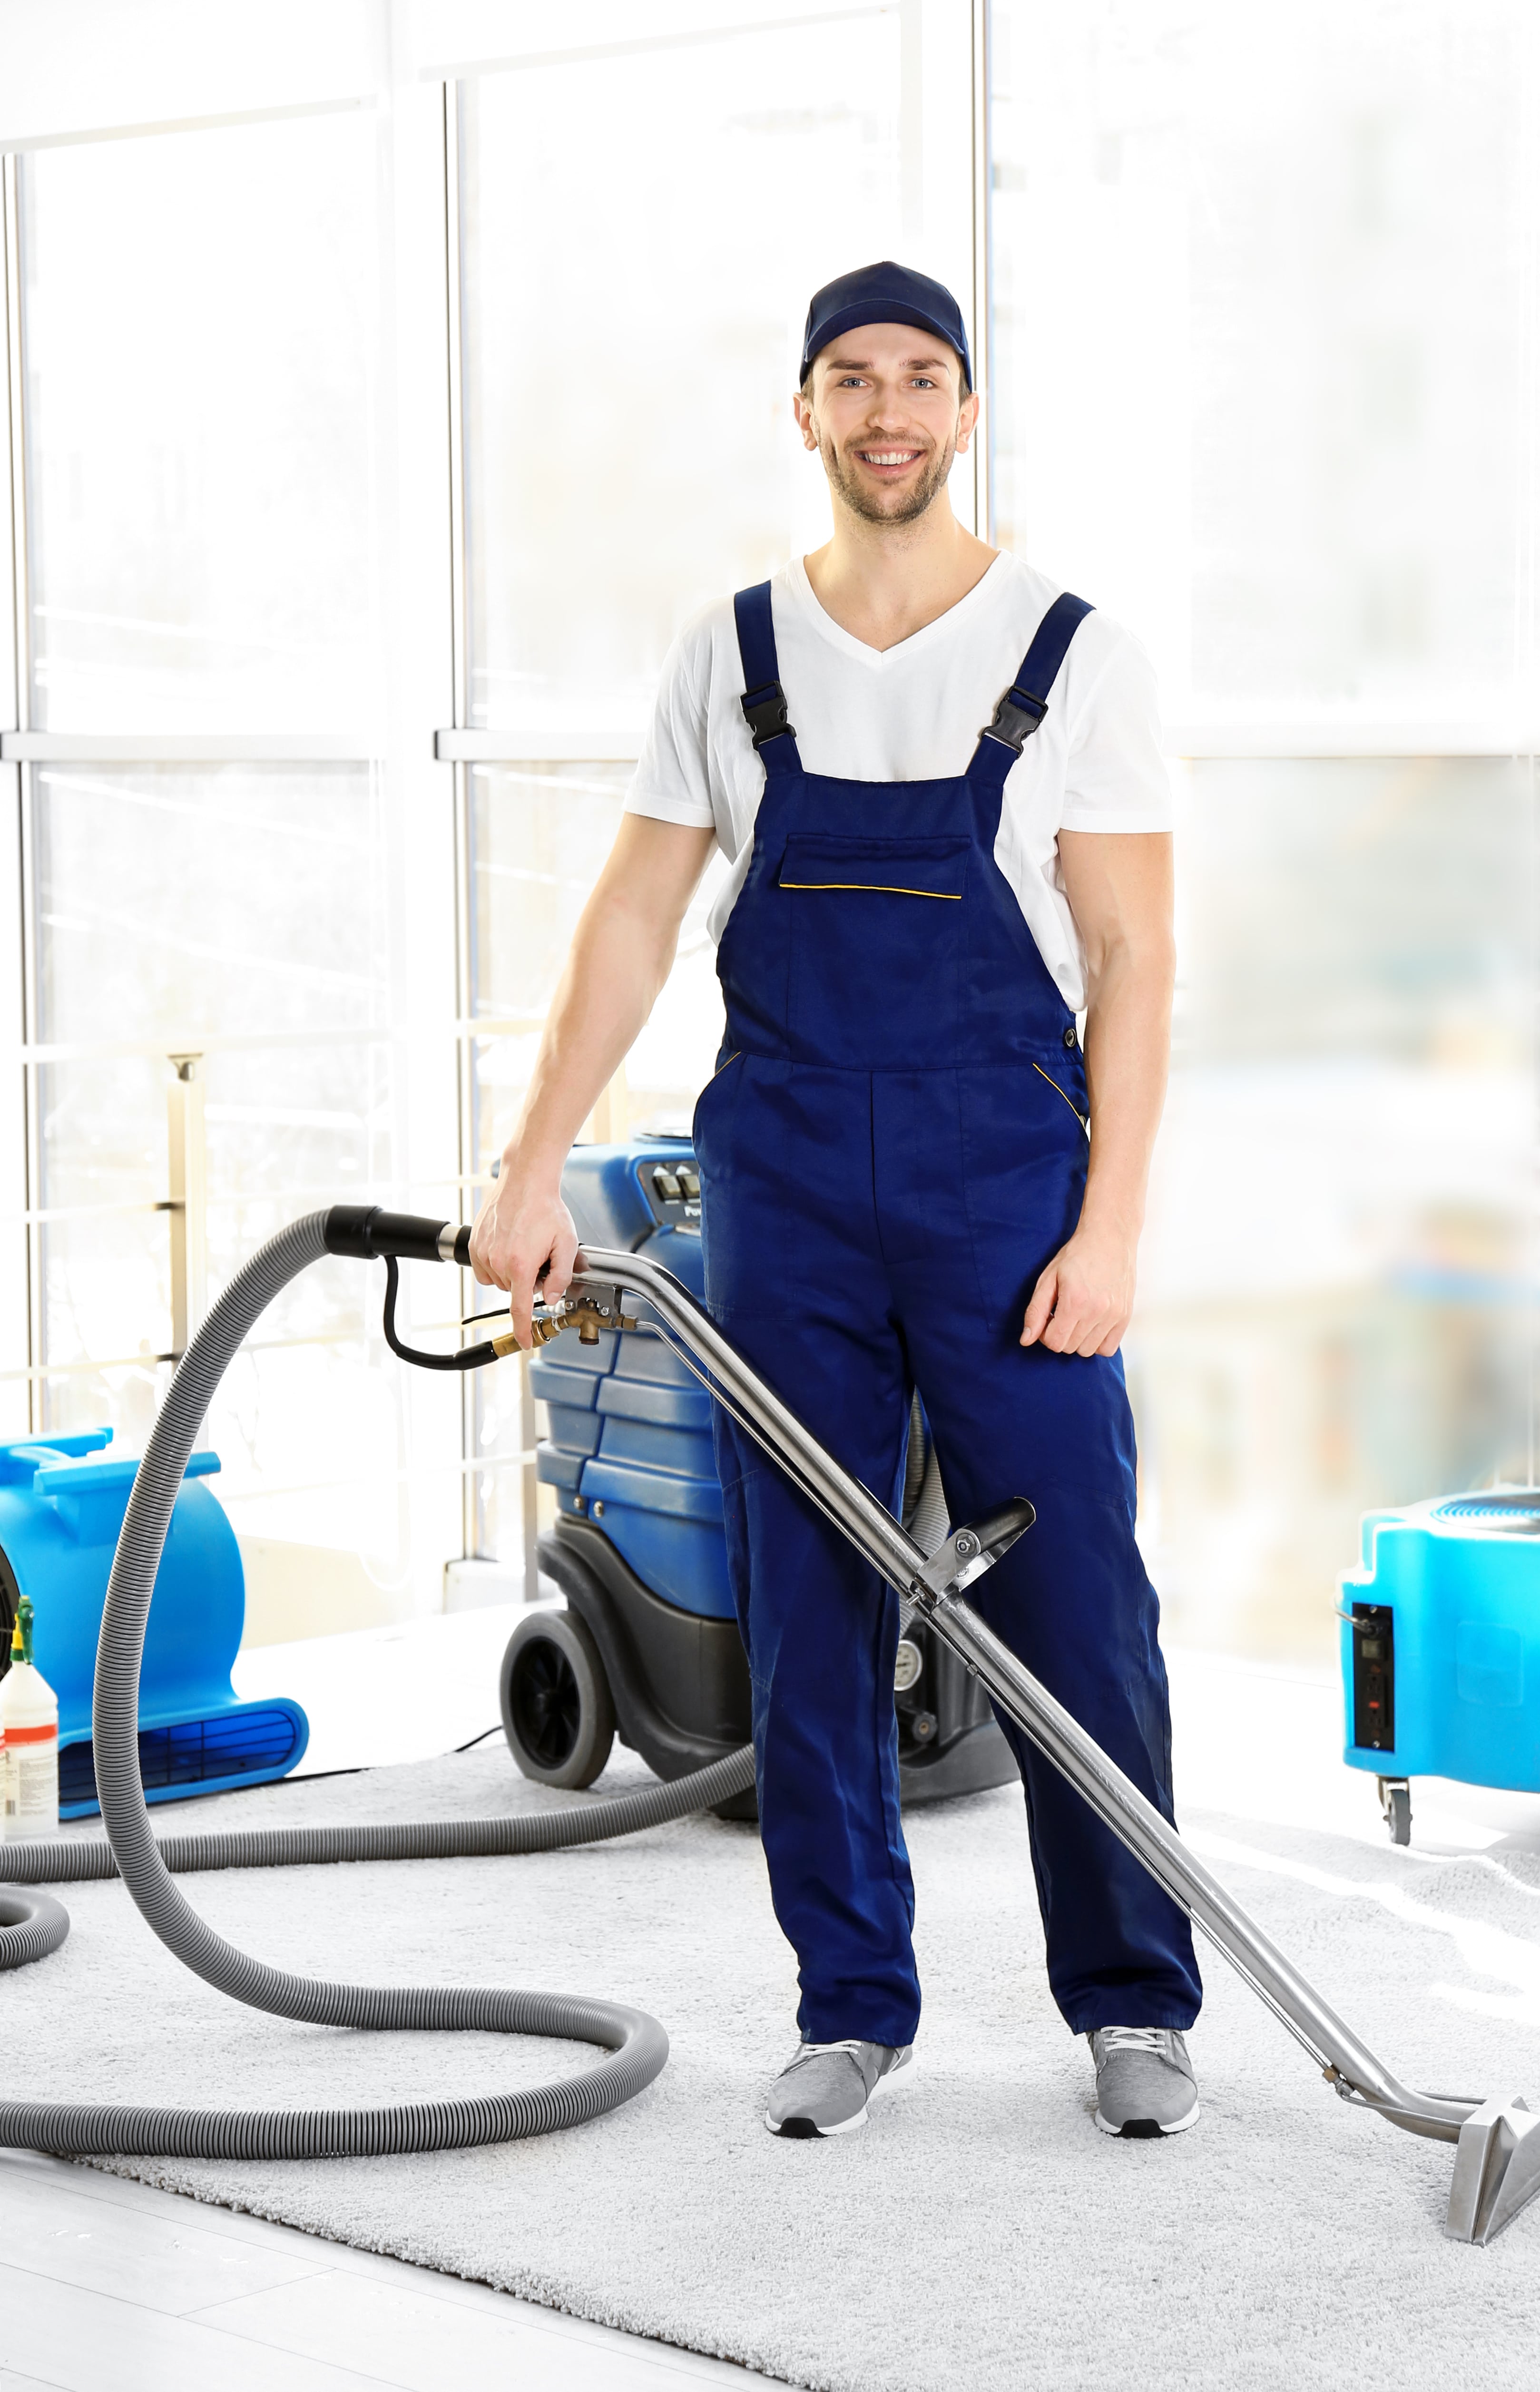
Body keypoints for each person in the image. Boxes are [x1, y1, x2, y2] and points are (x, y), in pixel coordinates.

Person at [469, 259, 1203, 2140]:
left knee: (1072, 1599)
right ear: (803, 410)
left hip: (1008, 1196)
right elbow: (634, 918)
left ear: (963, 411)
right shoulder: (729, 654)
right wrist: (530, 1159)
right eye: (850, 378)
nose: (887, 411)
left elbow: (1130, 958)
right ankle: (847, 1999)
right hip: (782, 1185)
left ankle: (1130, 2000)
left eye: (922, 378)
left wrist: (1111, 1226)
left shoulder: (1071, 650)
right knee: (806, 1600)